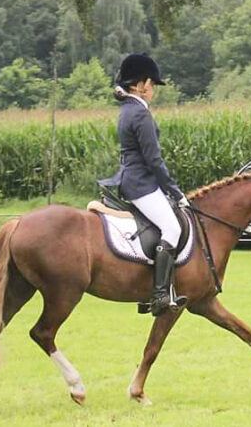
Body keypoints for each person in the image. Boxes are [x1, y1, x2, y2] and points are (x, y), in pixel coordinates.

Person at [107, 53, 188, 316]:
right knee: (172, 228)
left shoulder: (128, 109)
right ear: (140, 84)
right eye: (152, 84)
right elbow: (154, 160)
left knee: (158, 228)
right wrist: (176, 192)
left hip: (133, 179)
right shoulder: (140, 114)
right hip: (142, 184)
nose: (153, 89)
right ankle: (159, 295)